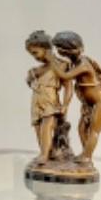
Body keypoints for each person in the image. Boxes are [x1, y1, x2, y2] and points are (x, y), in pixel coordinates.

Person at [52, 30, 101, 163]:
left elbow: (65, 76)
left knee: (94, 131)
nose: (58, 51)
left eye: (59, 49)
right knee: (82, 129)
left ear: (67, 50)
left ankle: (87, 156)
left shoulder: (83, 64)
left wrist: (50, 60)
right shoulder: (75, 62)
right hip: (90, 104)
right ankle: (85, 154)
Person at [25, 30, 69, 163]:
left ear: (46, 49)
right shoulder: (37, 70)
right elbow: (30, 82)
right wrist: (31, 77)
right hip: (36, 101)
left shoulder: (61, 65)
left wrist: (65, 104)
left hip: (50, 100)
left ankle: (44, 154)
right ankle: (46, 153)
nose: (34, 57)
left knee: (47, 126)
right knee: (38, 128)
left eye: (35, 52)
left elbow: (68, 87)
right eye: (31, 54)